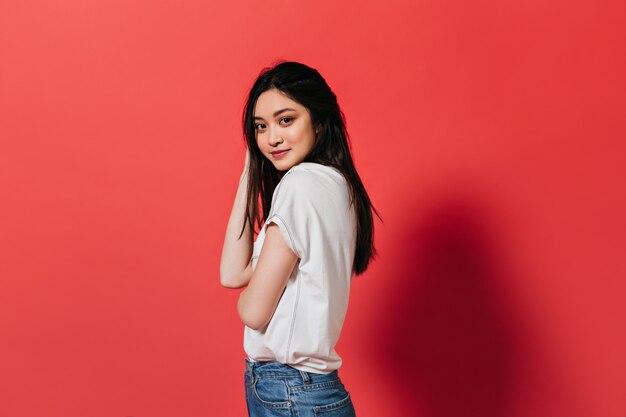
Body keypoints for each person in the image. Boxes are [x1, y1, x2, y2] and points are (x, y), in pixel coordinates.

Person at [219, 61, 380, 417]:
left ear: (318, 122)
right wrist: (251, 170)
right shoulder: (338, 186)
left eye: (286, 120)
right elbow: (233, 273)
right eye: (260, 127)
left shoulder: (300, 185)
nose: (271, 137)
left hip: (289, 391)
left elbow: (253, 311)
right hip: (311, 390)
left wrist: (248, 302)